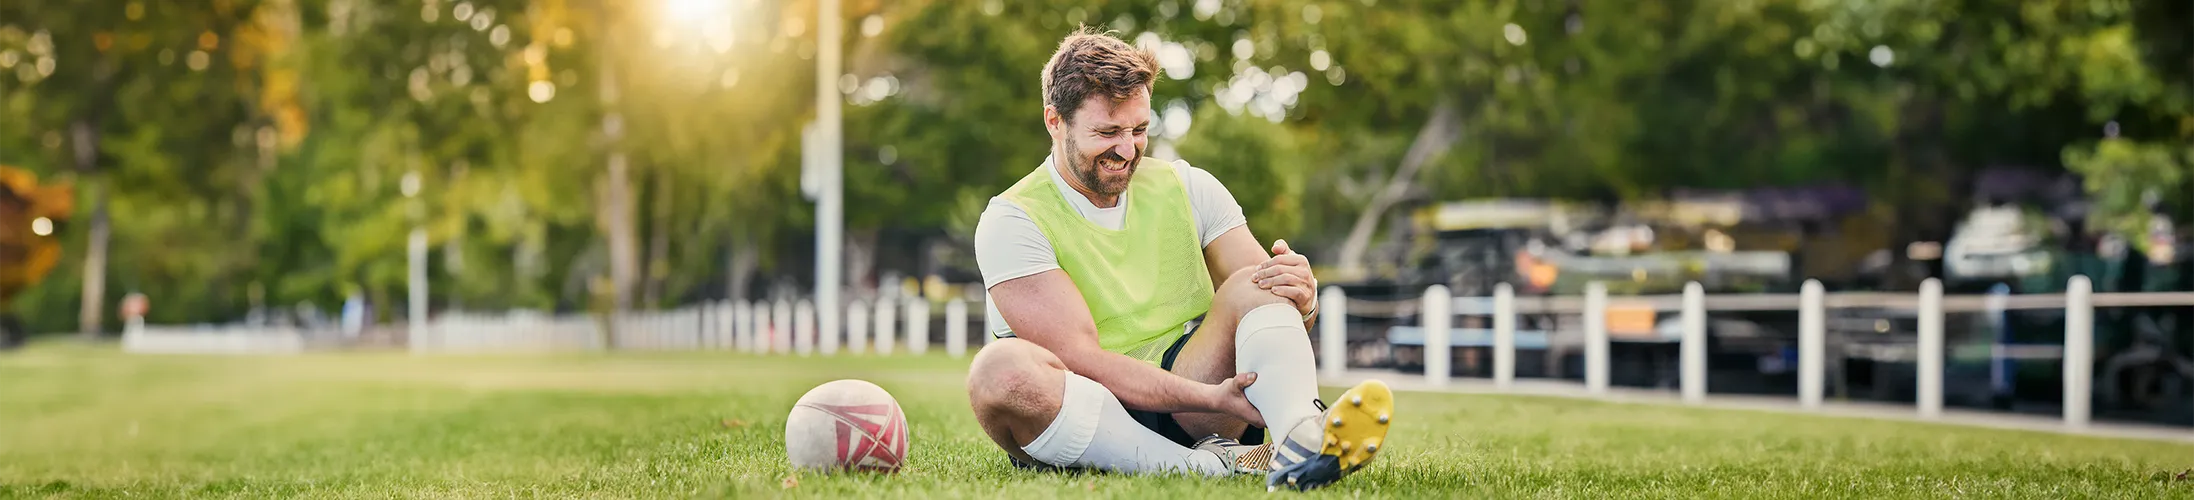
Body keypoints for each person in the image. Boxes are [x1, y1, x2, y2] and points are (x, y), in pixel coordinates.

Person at [966, 27, 1394, 491]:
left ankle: (1300, 438)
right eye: (1107, 132)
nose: (1127, 149)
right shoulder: (1012, 219)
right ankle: (1205, 467)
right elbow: (1082, 360)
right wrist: (1213, 396)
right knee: (997, 370)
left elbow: (1272, 306)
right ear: (1055, 121)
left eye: (1139, 129)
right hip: (1090, 415)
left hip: (1198, 405)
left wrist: (1303, 298)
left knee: (1259, 279)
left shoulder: (1190, 186)